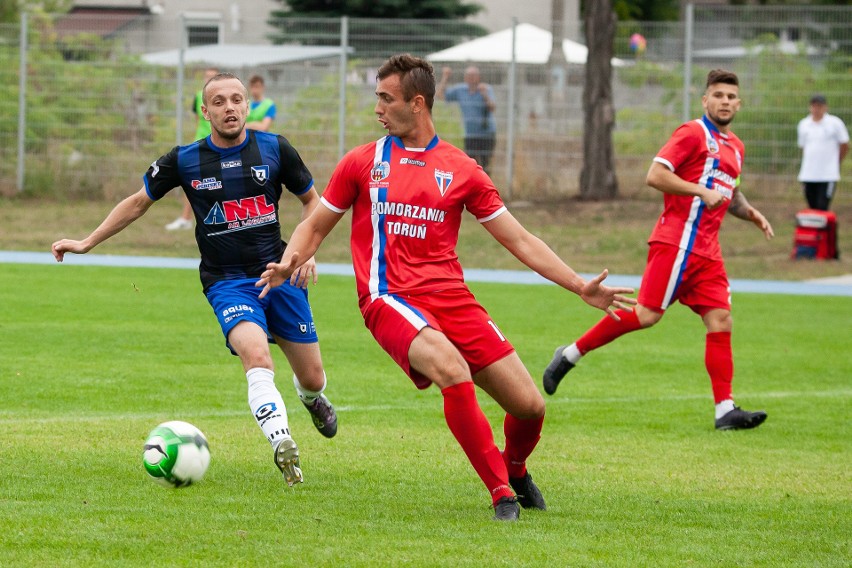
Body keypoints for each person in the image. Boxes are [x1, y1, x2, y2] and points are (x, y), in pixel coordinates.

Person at [255, 54, 635, 521]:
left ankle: (515, 468)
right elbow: (315, 226)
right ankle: (501, 493)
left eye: (385, 98)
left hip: (452, 299)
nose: (377, 108)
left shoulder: (462, 169)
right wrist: (293, 258)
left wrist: (579, 285)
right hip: (387, 298)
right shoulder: (362, 162)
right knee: (451, 370)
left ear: (417, 103)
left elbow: (518, 239)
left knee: (530, 406)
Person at [52, 72, 338, 487]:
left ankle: (312, 399)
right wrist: (88, 241)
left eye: (237, 99)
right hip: (227, 282)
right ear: (205, 112)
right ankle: (282, 443)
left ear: (247, 106)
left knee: (311, 377)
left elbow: (313, 203)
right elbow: (137, 203)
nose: (230, 107)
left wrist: (303, 255)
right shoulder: (185, 159)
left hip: (280, 275)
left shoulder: (276, 148)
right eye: (219, 102)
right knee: (256, 358)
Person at [543, 69, 775, 432]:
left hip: (708, 253)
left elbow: (728, 191)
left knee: (721, 320)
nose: (725, 102)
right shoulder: (692, 133)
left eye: (731, 97)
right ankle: (570, 353)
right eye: (718, 95)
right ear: (705, 100)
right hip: (677, 242)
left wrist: (750, 213)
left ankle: (725, 410)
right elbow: (655, 174)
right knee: (647, 315)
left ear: (739, 103)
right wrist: (698, 191)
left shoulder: (736, 147)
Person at [166, 67, 219, 231]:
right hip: (201, 144)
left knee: (218, 183)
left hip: (219, 145)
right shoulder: (198, 96)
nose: (208, 79)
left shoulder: (222, 98)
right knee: (192, 180)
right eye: (207, 76)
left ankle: (215, 219)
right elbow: (199, 119)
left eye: (213, 77)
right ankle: (186, 218)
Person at [436, 65, 497, 173]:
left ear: (479, 77)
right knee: (470, 165)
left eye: (474, 75)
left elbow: (492, 108)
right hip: (470, 135)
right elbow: (440, 95)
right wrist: (445, 77)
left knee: (486, 166)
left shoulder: (486, 89)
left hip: (486, 134)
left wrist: (485, 95)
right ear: (465, 77)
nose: (471, 78)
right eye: (469, 75)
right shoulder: (460, 90)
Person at [797, 94, 849, 211]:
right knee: (812, 208)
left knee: (822, 208)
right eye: (814, 106)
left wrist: (836, 162)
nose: (816, 109)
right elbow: (803, 147)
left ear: (825, 107)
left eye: (819, 106)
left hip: (827, 174)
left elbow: (845, 144)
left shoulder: (835, 123)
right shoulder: (804, 124)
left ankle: (829, 229)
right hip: (808, 174)